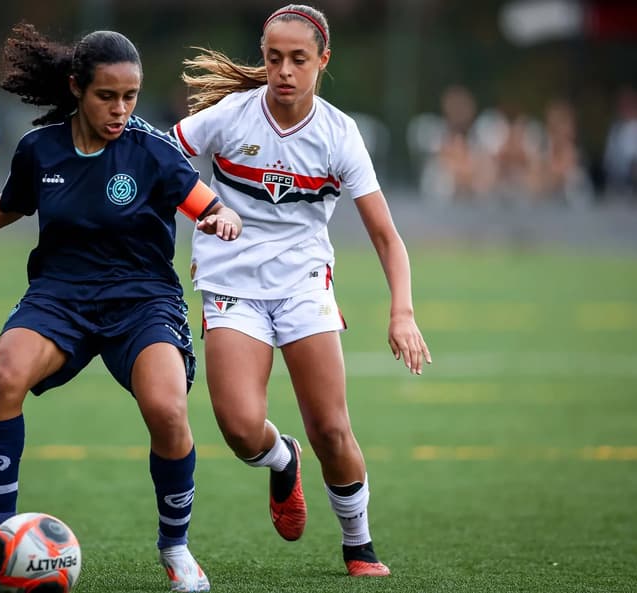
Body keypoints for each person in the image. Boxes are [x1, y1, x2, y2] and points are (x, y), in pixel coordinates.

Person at [0, 23, 242, 593]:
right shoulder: (41, 148)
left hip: (142, 300)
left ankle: (176, 550)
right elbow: (6, 208)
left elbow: (205, 203)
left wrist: (219, 216)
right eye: (107, 96)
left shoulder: (153, 150)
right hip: (60, 296)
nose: (120, 109)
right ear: (77, 88)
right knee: (3, 375)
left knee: (168, 411)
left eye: (130, 96)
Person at [171, 4, 430, 578]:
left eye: (298, 60)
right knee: (240, 430)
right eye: (273, 58)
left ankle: (358, 544)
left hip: (303, 286)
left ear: (322, 62)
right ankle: (282, 458)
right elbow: (160, 162)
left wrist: (402, 312)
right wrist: (202, 209)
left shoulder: (340, 135)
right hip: (229, 284)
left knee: (332, 428)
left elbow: (386, 236)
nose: (284, 71)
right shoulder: (229, 117)